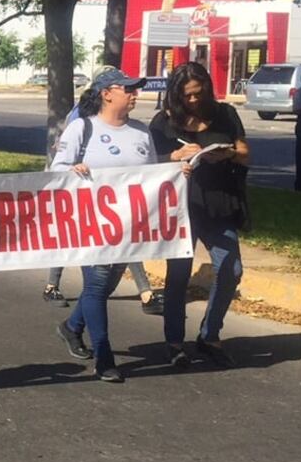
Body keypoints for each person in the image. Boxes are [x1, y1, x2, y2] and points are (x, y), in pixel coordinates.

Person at [52, 69, 155, 383]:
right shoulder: (81, 128)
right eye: (128, 90)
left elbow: (152, 175)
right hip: (89, 221)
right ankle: (103, 354)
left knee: (107, 284)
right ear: (107, 93)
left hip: (126, 223)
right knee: (97, 285)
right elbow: (55, 169)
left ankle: (71, 327)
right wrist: (72, 168)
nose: (135, 95)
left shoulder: (141, 132)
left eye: (136, 90)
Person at [150, 62, 250, 368]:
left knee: (230, 267)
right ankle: (174, 342)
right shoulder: (164, 122)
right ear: (177, 95)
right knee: (178, 275)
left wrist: (229, 153)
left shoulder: (224, 114)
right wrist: (173, 157)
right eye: (187, 95)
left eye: (199, 93)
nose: (194, 100)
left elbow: (246, 154)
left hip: (218, 202)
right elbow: (147, 163)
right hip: (180, 207)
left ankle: (209, 335)